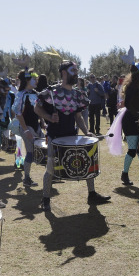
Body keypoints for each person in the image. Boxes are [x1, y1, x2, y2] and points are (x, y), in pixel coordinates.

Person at [34, 59, 110, 212]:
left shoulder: (77, 94)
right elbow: (37, 108)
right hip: (54, 137)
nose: (76, 74)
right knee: (50, 169)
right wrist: (49, 118)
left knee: (87, 162)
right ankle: (46, 198)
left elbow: (78, 116)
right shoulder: (51, 92)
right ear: (63, 73)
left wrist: (86, 131)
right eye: (73, 71)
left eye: (76, 71)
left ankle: (92, 194)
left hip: (72, 136)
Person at [118, 62, 139, 186]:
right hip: (131, 121)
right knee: (132, 150)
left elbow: (137, 104)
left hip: (138, 120)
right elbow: (129, 106)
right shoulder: (132, 87)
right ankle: (124, 174)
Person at [12, 68, 41, 187]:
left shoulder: (35, 93)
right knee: (30, 152)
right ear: (27, 80)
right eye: (34, 79)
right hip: (26, 126)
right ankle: (26, 178)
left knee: (42, 147)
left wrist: (42, 122)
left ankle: (51, 173)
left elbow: (39, 110)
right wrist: (26, 129)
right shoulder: (20, 94)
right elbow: (18, 114)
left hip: (36, 125)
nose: (36, 81)